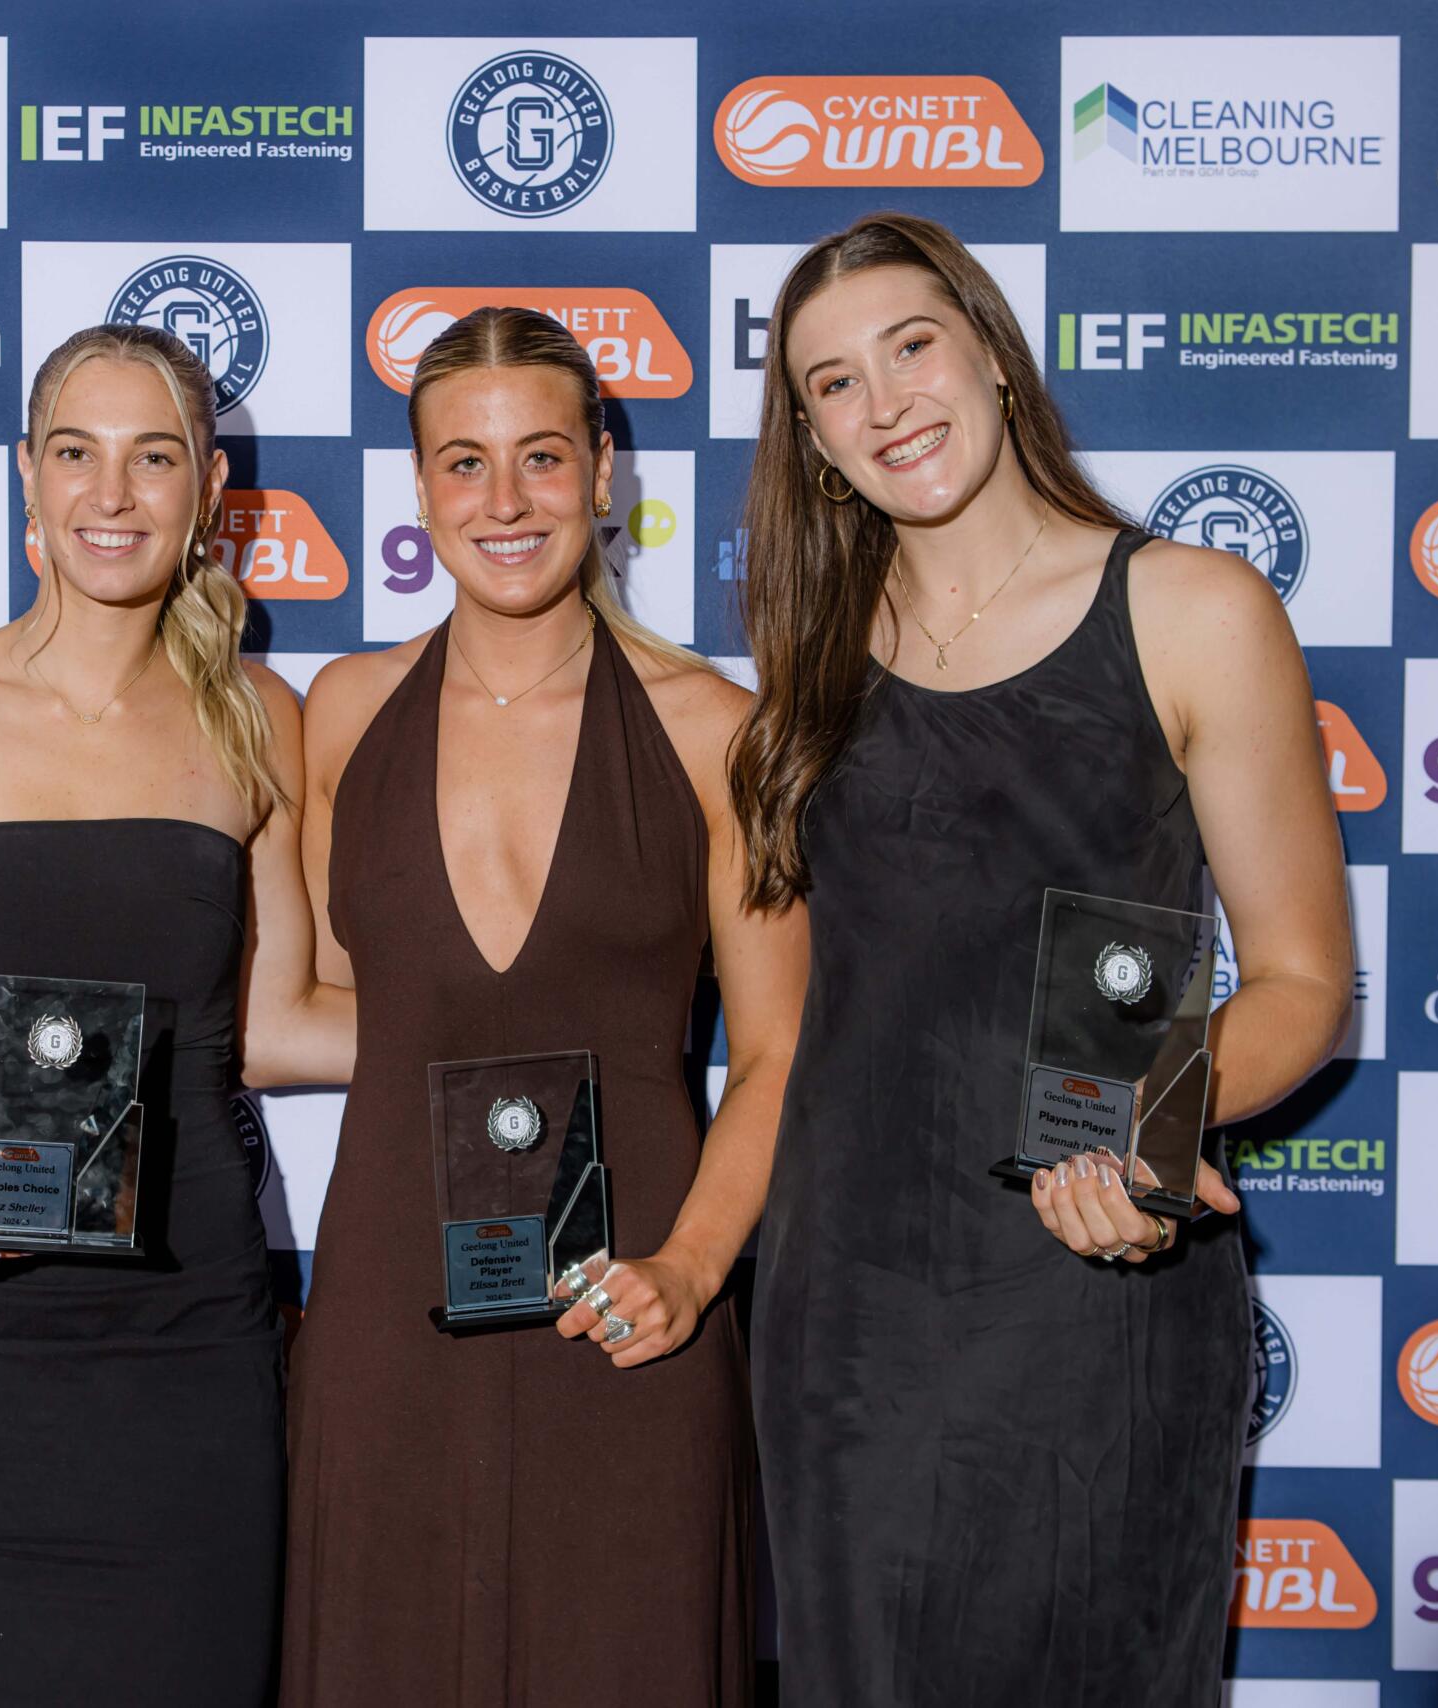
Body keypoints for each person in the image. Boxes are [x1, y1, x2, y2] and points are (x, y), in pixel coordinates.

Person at [731, 212, 1355, 1706]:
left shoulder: (1195, 611)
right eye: (832, 384)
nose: (885, 405)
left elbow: (1303, 984)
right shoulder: (806, 656)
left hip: (1100, 1283)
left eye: (912, 346)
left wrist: (1153, 1138)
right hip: (851, 1320)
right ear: (813, 441)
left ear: (995, 360)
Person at [0, 323, 350, 1708]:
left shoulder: (256, 718)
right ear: (27, 482)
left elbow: (282, 1021)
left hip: (193, 1340)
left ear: (207, 485)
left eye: (152, 456)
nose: (113, 495)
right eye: (76, 454)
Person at [282, 307, 805, 1706]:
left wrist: (692, 1270)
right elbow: (299, 1006)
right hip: (390, 1312)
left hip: (630, 1305)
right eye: (464, 462)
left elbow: (775, 1054)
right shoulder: (341, 710)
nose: (503, 502)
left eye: (542, 458)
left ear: (605, 471)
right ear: (419, 488)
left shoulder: (712, 729)